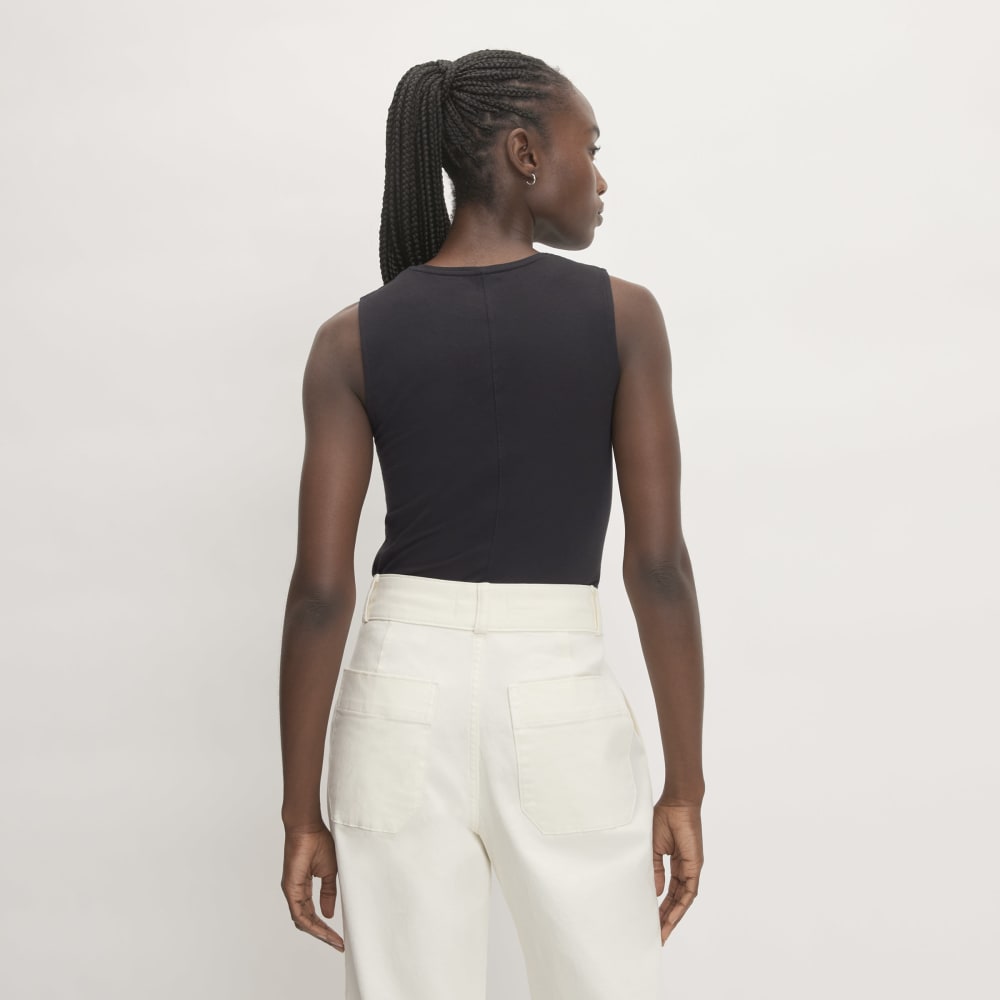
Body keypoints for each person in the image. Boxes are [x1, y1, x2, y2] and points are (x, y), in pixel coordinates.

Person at [278, 49, 705, 1000]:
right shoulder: (623, 319)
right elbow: (658, 568)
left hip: (397, 699)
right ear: (523, 153)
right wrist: (684, 784)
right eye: (590, 149)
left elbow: (318, 593)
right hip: (557, 698)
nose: (601, 178)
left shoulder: (351, 339)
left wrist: (300, 810)